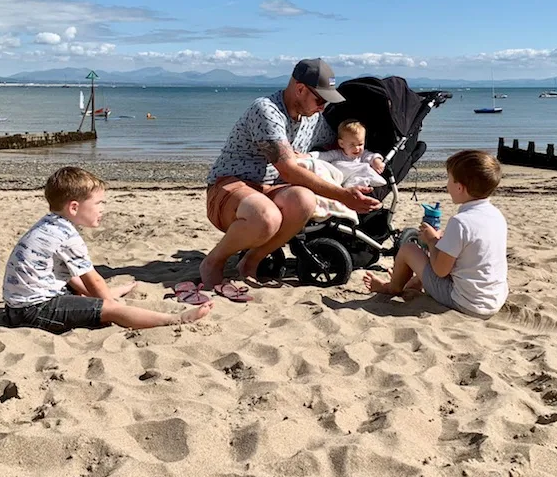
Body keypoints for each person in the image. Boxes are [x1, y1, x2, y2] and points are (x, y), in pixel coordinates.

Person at [203, 58, 381, 296]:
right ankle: (214, 262)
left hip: (271, 188)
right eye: (320, 100)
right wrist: (343, 195)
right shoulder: (266, 110)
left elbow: (338, 145)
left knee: (305, 200)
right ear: (299, 89)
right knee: (267, 217)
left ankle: (251, 262)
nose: (323, 107)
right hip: (231, 185)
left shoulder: (313, 118)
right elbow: (287, 169)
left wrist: (369, 157)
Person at [3, 166, 213, 333]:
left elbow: (71, 276)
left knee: (79, 289)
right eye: (98, 203)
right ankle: (175, 319)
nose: (103, 208)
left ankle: (110, 298)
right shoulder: (66, 236)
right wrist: (111, 304)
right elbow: (92, 279)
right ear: (74, 207)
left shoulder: (49, 224)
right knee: (110, 308)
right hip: (33, 311)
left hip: (17, 308)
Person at [364, 149, 507, 318]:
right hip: (495, 298)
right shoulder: (496, 215)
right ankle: (411, 283)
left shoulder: (461, 222)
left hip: (467, 302)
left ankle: (391, 288)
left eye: (450, 180)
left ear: (460, 187)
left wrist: (432, 240)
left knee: (409, 249)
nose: (447, 185)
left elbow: (440, 271)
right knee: (439, 255)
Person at [310, 119, 385, 174]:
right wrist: (309, 155)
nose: (357, 148)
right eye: (352, 145)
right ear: (342, 144)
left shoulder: (362, 155)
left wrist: (376, 161)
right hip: (342, 177)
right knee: (336, 165)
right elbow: (322, 155)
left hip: (357, 179)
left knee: (367, 170)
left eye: (360, 144)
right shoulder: (337, 154)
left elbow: (371, 156)